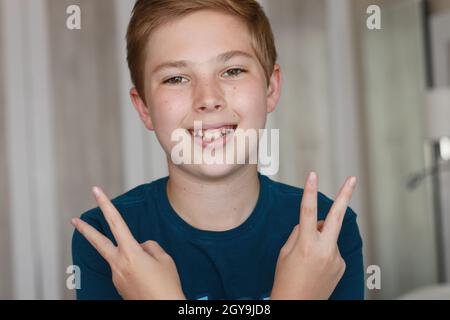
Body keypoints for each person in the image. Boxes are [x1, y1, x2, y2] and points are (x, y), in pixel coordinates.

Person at [71, 0, 364, 300]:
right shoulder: (109, 242)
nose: (208, 98)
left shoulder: (328, 234)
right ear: (144, 108)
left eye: (232, 70)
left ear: (271, 88)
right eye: (176, 78)